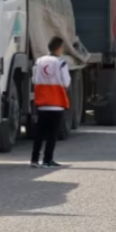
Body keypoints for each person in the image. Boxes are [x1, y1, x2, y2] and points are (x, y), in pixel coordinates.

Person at [31, 36, 71, 168]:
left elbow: (34, 79)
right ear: (59, 48)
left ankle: (34, 160)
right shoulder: (61, 63)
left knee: (39, 133)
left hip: (42, 103)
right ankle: (48, 160)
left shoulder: (39, 61)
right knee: (52, 134)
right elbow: (66, 82)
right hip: (56, 103)